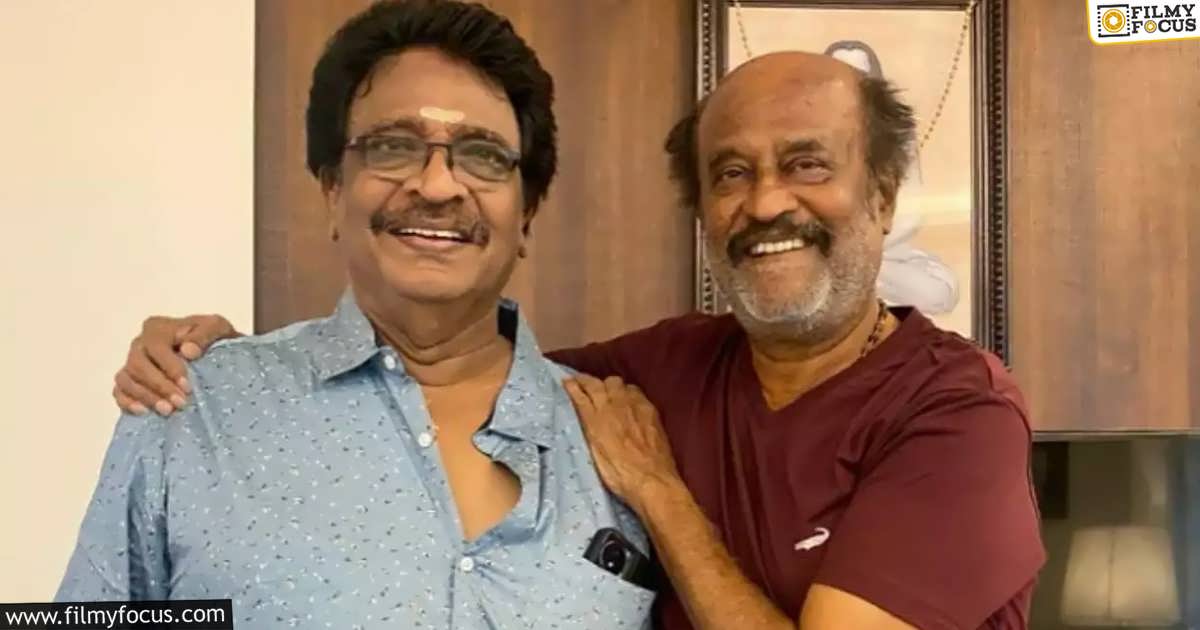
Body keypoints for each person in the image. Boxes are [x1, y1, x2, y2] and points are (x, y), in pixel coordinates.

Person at [111, 45, 1045, 630]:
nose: (766, 202)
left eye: (807, 164)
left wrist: (662, 497)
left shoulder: (956, 413)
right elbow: (439, 348)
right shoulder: (656, 371)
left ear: (881, 195)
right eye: (730, 174)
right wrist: (237, 363)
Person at [58, 2, 656, 628]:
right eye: (393, 147)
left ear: (526, 211)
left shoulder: (625, 443)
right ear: (332, 190)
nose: (438, 186)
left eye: (483, 156)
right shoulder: (193, 408)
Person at [823, 39, 961, 316]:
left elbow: (911, 209)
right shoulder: (807, 134)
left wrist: (869, 245)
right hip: (826, 246)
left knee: (941, 292)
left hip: (887, 251)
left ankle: (850, 276)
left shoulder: (898, 137)